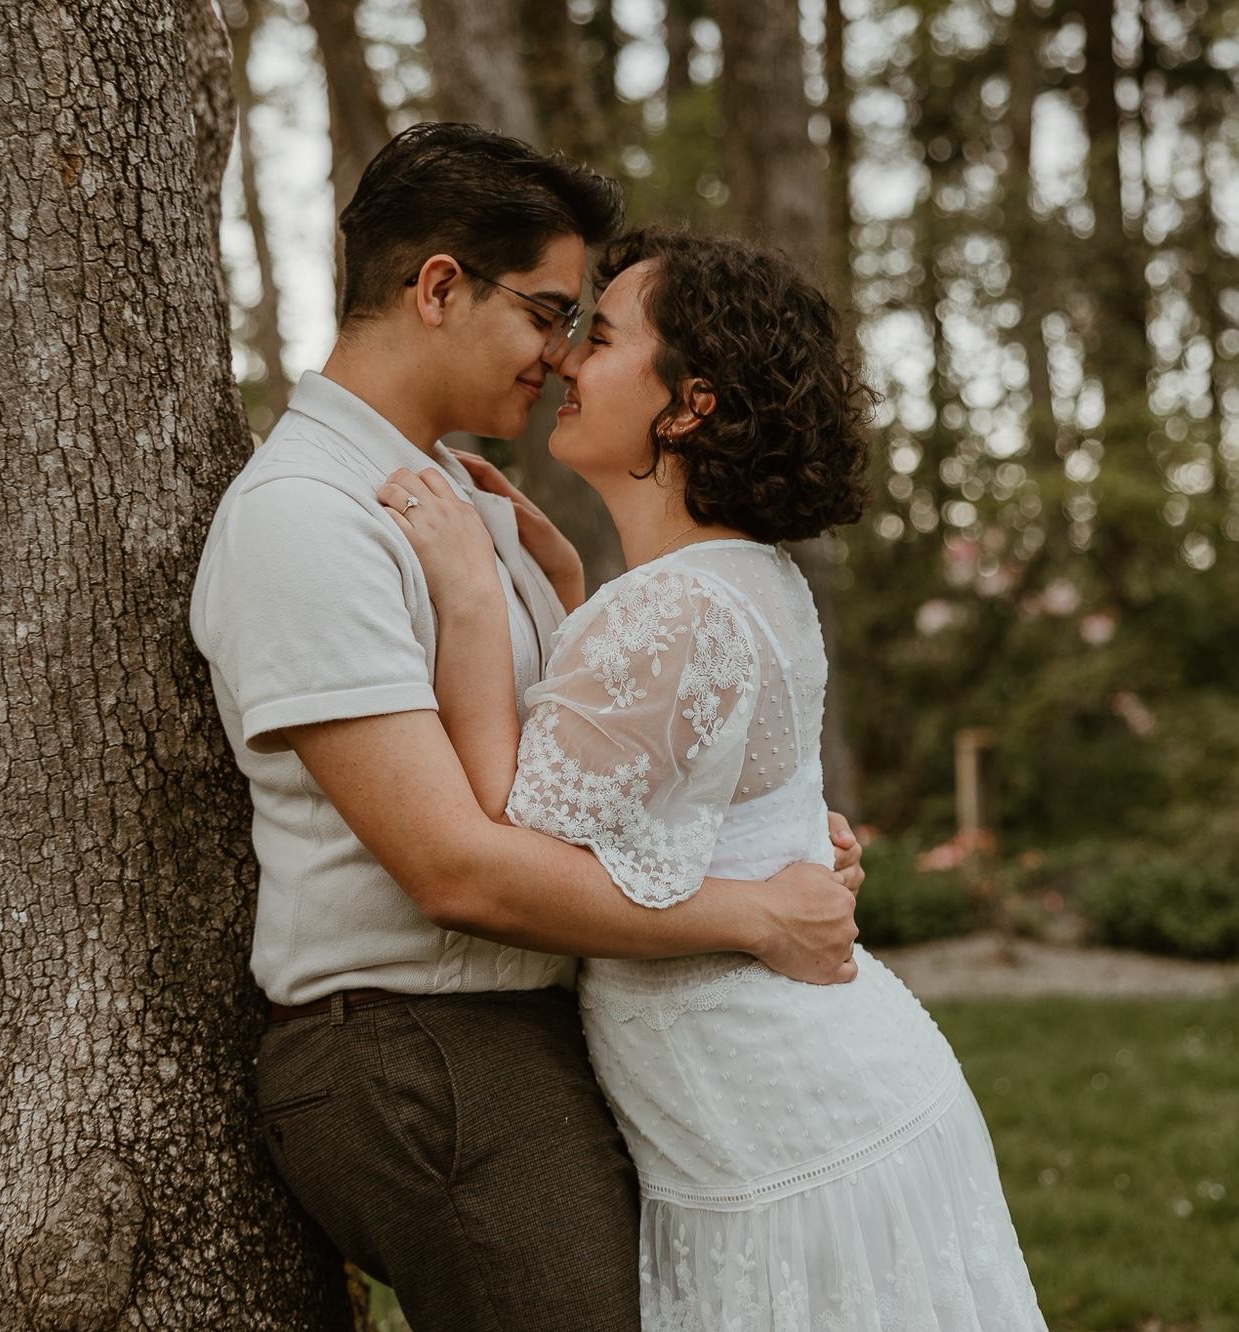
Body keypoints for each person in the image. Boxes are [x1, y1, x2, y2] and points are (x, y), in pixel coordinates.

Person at [191, 123, 864, 1331]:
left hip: (522, 1028)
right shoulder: (308, 519)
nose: (561, 357)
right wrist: (756, 912)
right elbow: (454, 867)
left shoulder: (456, 498)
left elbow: (574, 784)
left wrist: (768, 843)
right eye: (550, 314)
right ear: (439, 287)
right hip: (425, 1046)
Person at [382, 226, 1048, 1330]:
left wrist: (468, 599)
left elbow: (510, 835)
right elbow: (688, 791)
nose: (564, 358)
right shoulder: (748, 579)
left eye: (600, 338)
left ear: (688, 406)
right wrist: (568, 591)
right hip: (837, 1095)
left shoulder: (675, 608)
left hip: (778, 1141)